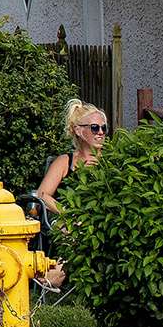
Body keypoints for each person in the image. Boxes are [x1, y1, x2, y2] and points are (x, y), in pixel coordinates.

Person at [29, 97, 107, 290]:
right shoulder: (65, 161)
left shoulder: (112, 160)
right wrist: (67, 212)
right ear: (79, 131)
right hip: (66, 219)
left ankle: (58, 273)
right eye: (95, 128)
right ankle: (61, 272)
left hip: (102, 218)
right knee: (78, 226)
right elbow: (42, 194)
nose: (101, 133)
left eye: (104, 128)